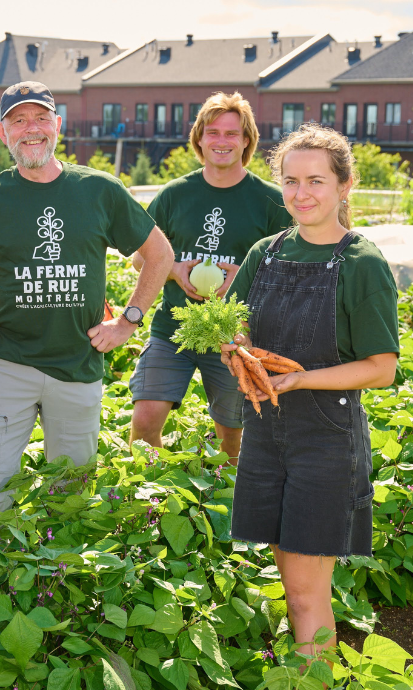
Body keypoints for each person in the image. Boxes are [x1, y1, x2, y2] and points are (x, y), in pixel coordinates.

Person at [0, 81, 174, 526]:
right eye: (19, 120)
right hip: (8, 362)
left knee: (73, 491)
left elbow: (160, 255)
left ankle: (60, 579)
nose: (32, 129)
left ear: (58, 126)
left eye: (41, 118)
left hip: (78, 365)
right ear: (2, 132)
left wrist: (129, 321)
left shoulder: (98, 190)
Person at [221, 124, 398, 678]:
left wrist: (299, 380)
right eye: (291, 181)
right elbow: (233, 326)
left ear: (345, 186)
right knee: (288, 577)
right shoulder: (265, 253)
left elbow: (381, 368)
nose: (301, 194)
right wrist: (239, 353)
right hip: (267, 434)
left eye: (316, 181)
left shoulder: (361, 263)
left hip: (325, 439)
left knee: (303, 592)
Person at [129, 92, 292, 460]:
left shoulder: (270, 201)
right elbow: (141, 260)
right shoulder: (174, 195)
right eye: (213, 132)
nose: (221, 141)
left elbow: (289, 271)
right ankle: (155, 497)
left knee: (233, 436)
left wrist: (244, 276)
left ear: (246, 140)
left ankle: (225, 497)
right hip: (173, 329)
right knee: (144, 421)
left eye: (231, 133)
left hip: (234, 335)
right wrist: (172, 269)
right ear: (199, 138)